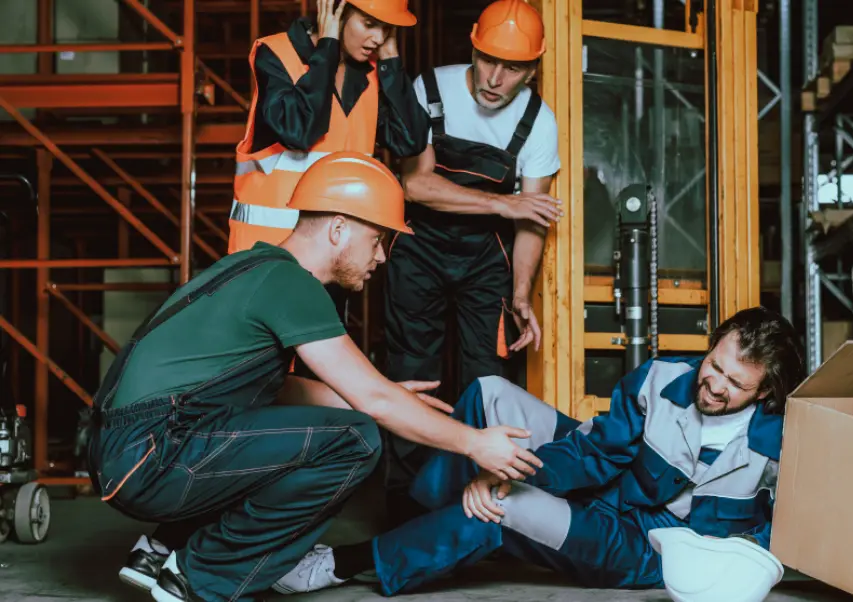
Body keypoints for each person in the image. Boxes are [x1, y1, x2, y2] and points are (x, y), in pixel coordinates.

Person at [87, 152, 544, 602]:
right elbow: (374, 406)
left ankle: (165, 550)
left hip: (129, 449)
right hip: (151, 453)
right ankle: (196, 579)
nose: (383, 257)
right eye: (378, 239)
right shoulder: (292, 285)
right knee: (357, 439)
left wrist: (372, 396)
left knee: (312, 419)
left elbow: (273, 389)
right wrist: (475, 443)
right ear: (339, 228)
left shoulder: (255, 270)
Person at [271, 306, 806, 597]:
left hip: (643, 549)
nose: (712, 385)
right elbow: (597, 451)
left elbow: (779, 530)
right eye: (713, 364)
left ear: (764, 391)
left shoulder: (779, 446)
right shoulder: (665, 377)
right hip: (606, 489)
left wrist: (502, 483)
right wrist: (504, 466)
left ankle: (349, 561)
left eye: (734, 385)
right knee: (489, 392)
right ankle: (426, 524)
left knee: (503, 507)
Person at [381, 0, 562, 525]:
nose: (494, 77)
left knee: (487, 380)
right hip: (417, 249)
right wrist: (503, 203)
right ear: (474, 48)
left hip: (487, 260)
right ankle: (404, 507)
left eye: (511, 68)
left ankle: (477, 503)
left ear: (532, 69)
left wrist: (522, 295)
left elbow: (532, 221)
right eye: (487, 60)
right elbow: (415, 184)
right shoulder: (429, 90)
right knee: (415, 374)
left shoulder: (538, 121)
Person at [228, 0, 428, 254]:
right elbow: (299, 131)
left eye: (386, 28)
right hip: (267, 253)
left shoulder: (372, 73)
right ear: (335, 11)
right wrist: (328, 47)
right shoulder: (277, 54)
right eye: (369, 24)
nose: (378, 37)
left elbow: (410, 141)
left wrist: (391, 59)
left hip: (335, 258)